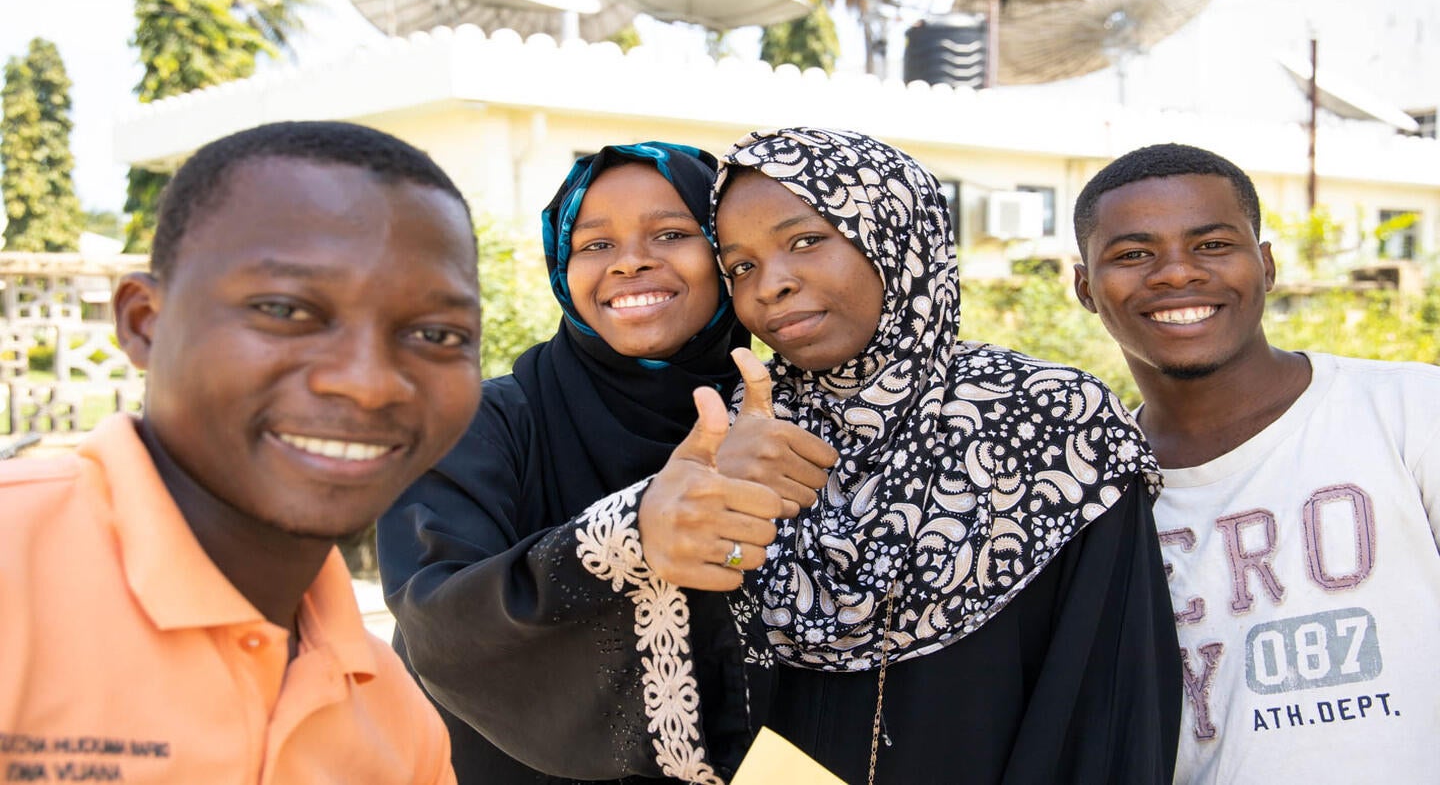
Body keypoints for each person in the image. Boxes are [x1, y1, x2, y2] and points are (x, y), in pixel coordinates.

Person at [558, 126, 1182, 785]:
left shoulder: (1056, 426)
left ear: (896, 235)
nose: (770, 285)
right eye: (741, 266)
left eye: (805, 242)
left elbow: (1111, 705)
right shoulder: (731, 433)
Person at [0, 121, 478, 782]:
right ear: (144, 322)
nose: (368, 384)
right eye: (284, 310)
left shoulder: (397, 721)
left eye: (436, 333)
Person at [379, 142, 832, 784]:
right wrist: (635, 532)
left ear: (726, 259)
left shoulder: (789, 423)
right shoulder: (479, 424)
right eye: (594, 245)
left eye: (672, 233)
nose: (631, 263)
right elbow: (438, 618)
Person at [1072, 143, 1440, 784]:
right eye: (1133, 254)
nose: (1176, 274)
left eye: (1212, 245)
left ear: (1265, 265)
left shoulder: (1410, 410)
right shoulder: (1092, 493)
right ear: (1084, 287)